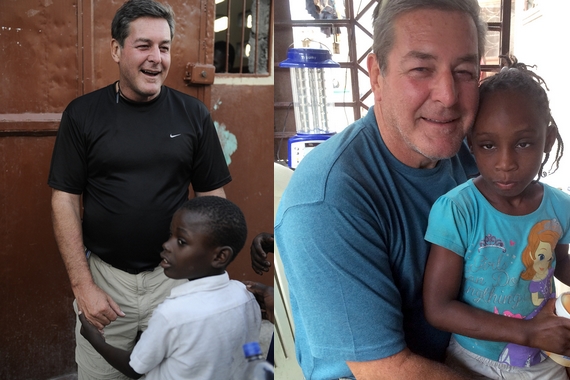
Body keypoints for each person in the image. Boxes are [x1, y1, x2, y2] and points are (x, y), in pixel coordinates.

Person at [274, 1, 570, 379]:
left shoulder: (474, 154)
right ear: (376, 75)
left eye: (463, 71)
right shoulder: (327, 201)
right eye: (421, 69)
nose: (448, 95)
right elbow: (386, 371)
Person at [47, 0, 231, 378]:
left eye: (163, 47)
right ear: (116, 49)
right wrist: (83, 285)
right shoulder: (83, 114)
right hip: (106, 281)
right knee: (102, 372)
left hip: (175, 280)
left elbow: (213, 199)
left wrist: (212, 279)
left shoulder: (193, 114)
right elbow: (64, 199)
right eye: (143, 45)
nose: (156, 58)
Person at [423, 56, 570, 379]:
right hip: (474, 361)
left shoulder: (560, 207)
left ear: (548, 140)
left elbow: (559, 265)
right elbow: (438, 308)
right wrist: (527, 331)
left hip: (545, 358)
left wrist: (541, 333)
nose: (506, 162)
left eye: (523, 143)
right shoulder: (458, 210)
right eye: (489, 145)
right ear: (471, 145)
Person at [79, 196, 261, 379]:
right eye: (170, 236)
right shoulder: (245, 296)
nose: (166, 245)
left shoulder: (172, 313)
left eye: (181, 242)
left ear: (220, 256)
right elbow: (248, 355)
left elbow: (135, 368)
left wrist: (95, 340)